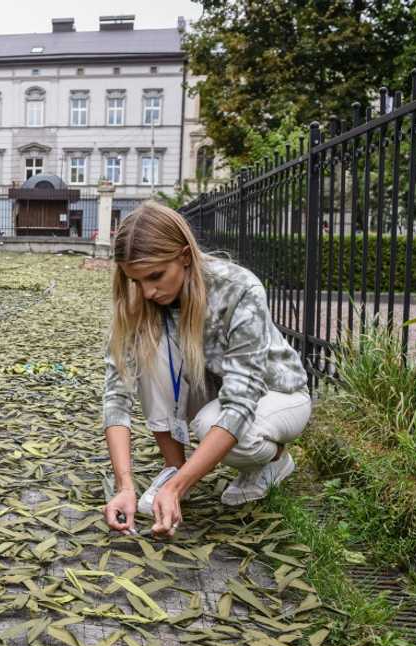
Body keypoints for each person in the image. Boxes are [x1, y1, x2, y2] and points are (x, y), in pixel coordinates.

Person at [101, 201, 311, 538]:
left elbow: (241, 401)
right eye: (136, 281)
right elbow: (116, 396)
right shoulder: (141, 302)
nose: (148, 291)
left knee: (211, 422)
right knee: (149, 348)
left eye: (155, 276)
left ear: (185, 256)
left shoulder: (238, 288)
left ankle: (274, 462)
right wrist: (125, 485)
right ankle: (174, 468)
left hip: (277, 393)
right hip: (212, 391)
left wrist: (179, 490)